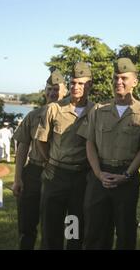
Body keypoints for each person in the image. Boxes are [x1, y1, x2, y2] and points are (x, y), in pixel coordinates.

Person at [83, 57, 140, 250]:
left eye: (124, 78)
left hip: (127, 177)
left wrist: (127, 175)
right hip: (99, 176)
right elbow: (90, 143)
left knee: (125, 233)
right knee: (94, 231)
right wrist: (99, 173)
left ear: (135, 81)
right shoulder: (99, 110)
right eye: (115, 77)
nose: (118, 82)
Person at [35, 62, 95, 250]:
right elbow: (41, 140)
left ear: (90, 85)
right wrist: (50, 162)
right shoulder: (54, 109)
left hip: (81, 177)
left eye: (81, 83)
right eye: (73, 83)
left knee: (75, 225)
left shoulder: (96, 111)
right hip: (56, 176)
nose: (76, 87)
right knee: (51, 226)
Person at [12, 70, 67, 250]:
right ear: (45, 91)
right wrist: (17, 178)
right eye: (49, 89)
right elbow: (22, 147)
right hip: (34, 172)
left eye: (57, 89)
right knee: (26, 224)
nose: (53, 93)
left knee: (54, 225)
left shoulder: (72, 117)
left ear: (65, 91)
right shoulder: (33, 115)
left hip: (59, 174)